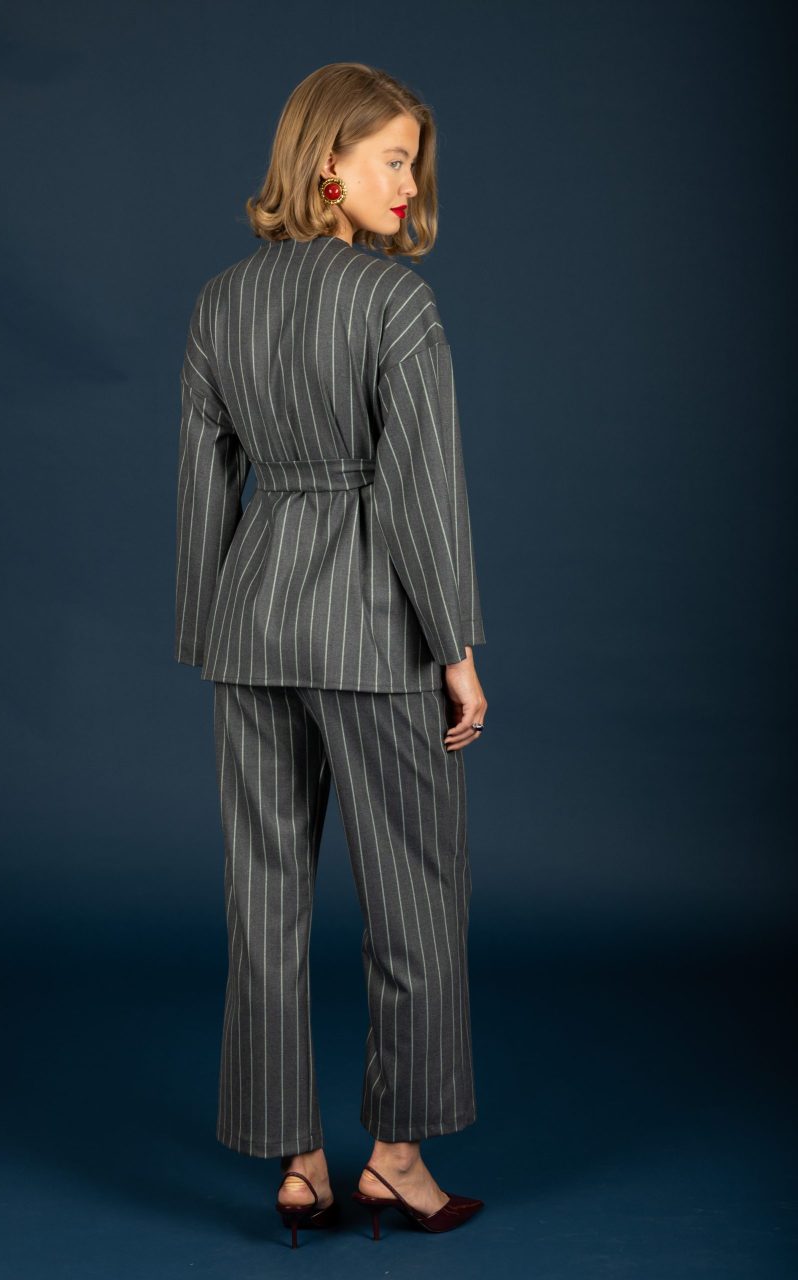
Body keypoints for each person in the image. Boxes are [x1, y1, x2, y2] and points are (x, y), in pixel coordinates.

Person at [175, 61, 488, 1246]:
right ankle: (395, 1157)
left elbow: (203, 482)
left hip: (250, 626)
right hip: (370, 628)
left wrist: (205, 627)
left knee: (261, 897)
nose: (408, 184)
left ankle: (297, 1161)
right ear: (327, 166)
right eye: (393, 159)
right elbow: (420, 492)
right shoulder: (395, 302)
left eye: (412, 162)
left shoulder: (218, 302)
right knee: (413, 895)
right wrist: (454, 649)